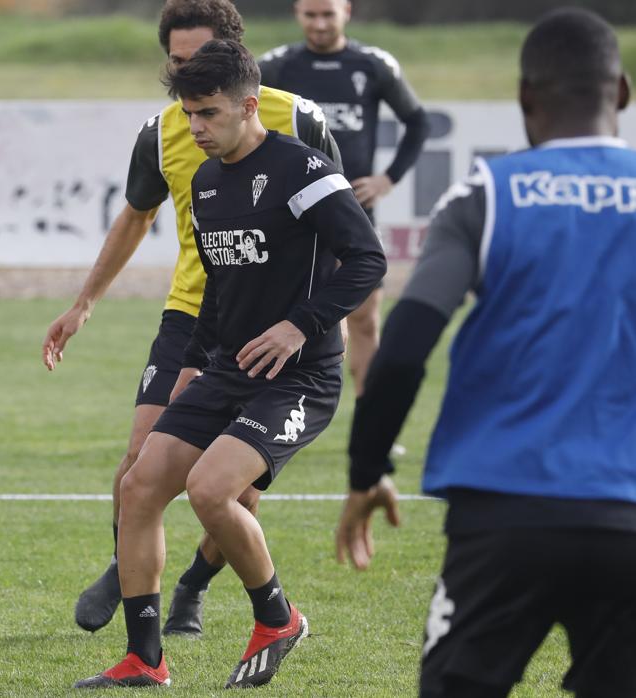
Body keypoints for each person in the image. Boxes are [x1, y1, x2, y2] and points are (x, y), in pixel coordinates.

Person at [337, 8, 636, 698]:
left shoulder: (485, 196)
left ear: (524, 97)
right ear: (619, 92)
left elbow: (405, 345)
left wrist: (366, 467)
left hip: (504, 513)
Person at [75, 39, 385, 689]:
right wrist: (193, 366)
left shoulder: (303, 172)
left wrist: (297, 326)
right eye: (188, 115)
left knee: (212, 489)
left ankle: (277, 619)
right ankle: (144, 659)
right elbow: (217, 290)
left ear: (250, 107)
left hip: (300, 375)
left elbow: (366, 261)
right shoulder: (206, 182)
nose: (195, 128)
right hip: (225, 368)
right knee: (138, 486)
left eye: (208, 114)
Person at [43, 0, 342, 639]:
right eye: (177, 65)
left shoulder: (299, 122)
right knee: (141, 459)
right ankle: (133, 580)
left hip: (276, 324)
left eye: (199, 63)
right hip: (195, 314)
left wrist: (319, 325)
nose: (187, 79)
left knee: (234, 487)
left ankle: (192, 590)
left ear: (236, 64)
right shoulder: (163, 131)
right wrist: (85, 301)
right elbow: (136, 215)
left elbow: (342, 233)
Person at [259, 0, 429, 400]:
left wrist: (388, 179)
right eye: (310, 15)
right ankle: (258, 415)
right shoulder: (276, 67)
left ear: (346, 12)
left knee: (366, 319)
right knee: (268, 312)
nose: (319, 24)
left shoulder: (373, 64)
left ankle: (369, 420)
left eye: (327, 14)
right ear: (297, 14)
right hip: (290, 213)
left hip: (352, 211)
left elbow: (418, 122)